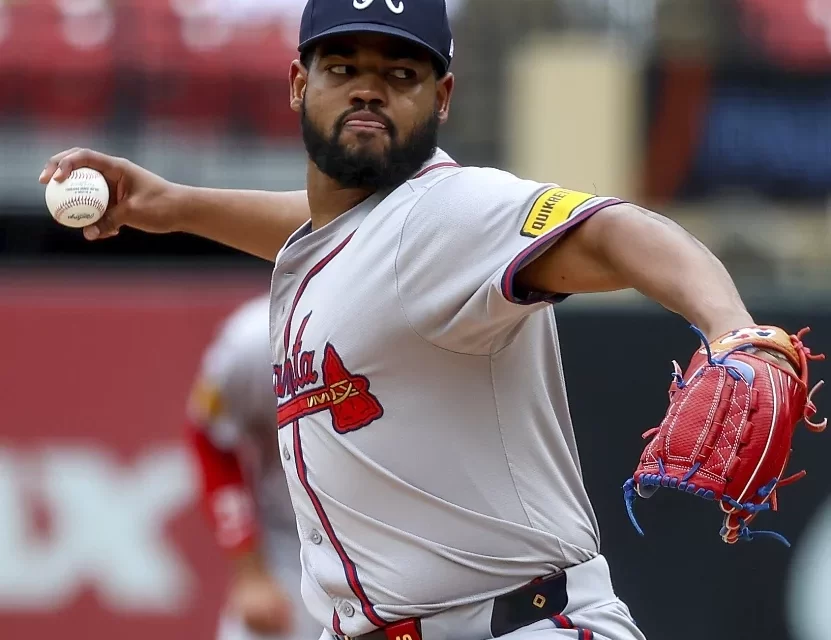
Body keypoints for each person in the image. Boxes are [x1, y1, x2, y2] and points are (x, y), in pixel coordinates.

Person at [38, 1, 790, 638]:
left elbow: (614, 229)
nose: (369, 90)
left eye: (400, 75)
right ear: (299, 84)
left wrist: (729, 325)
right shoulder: (354, 236)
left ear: (442, 97)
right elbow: (337, 235)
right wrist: (167, 206)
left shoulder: (453, 212)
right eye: (343, 69)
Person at [185, 293, 322, 640]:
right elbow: (210, 437)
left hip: (411, 542)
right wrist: (251, 574)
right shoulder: (255, 339)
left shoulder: (416, 323)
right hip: (296, 545)